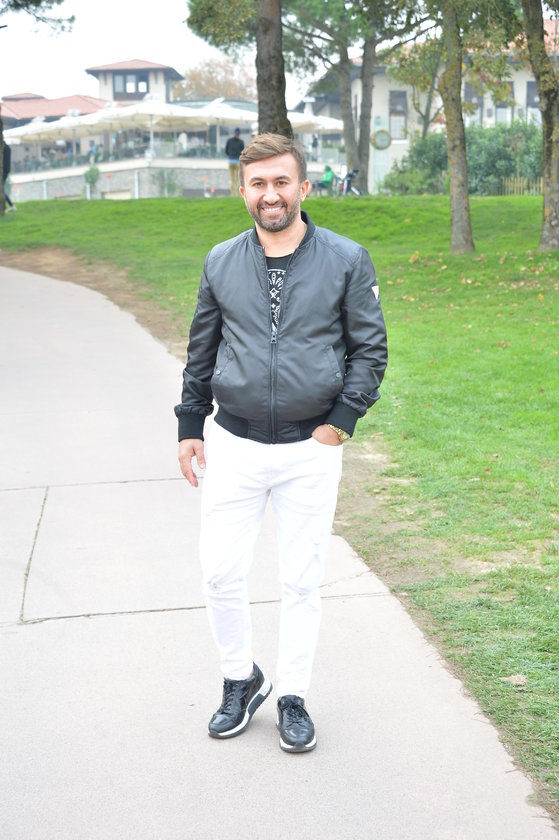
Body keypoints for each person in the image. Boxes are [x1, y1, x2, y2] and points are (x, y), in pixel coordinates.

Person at [175, 133, 387, 753]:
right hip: (234, 443)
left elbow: (369, 350)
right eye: (259, 184)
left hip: (309, 448)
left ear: (303, 187)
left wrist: (339, 422)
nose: (271, 194)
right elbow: (201, 349)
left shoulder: (346, 259)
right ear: (242, 190)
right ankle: (240, 680)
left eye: (282, 182)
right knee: (219, 573)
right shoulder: (220, 261)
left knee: (300, 581)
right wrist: (190, 425)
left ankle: (293, 694)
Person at [225, 127, 244, 196]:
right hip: (237, 162)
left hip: (230, 161)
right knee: (238, 179)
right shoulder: (241, 142)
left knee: (232, 179)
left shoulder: (229, 141)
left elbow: (226, 151)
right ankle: (238, 194)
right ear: (239, 134)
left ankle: (233, 194)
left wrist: (230, 155)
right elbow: (243, 152)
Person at [2, 143, 15, 211]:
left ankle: (11, 205)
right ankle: (11, 205)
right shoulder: (7, 148)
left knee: (1, 190)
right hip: (5, 170)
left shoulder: (5, 149)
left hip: (4, 170)